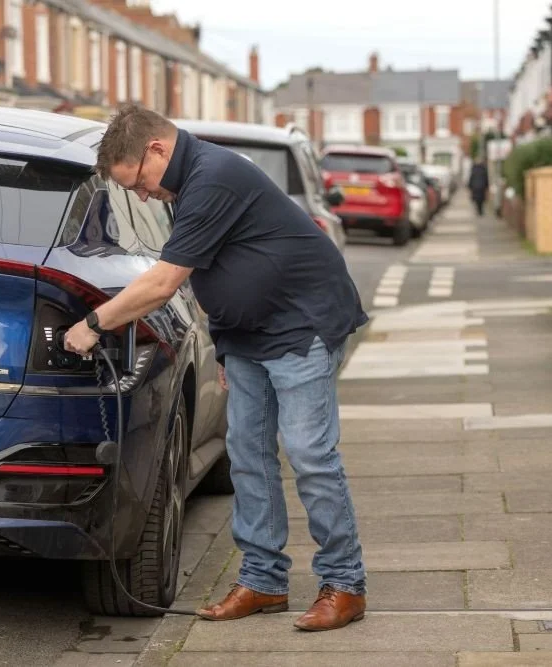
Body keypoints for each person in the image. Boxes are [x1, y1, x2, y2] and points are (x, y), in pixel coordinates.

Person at [62, 104, 369, 632]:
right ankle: (264, 581)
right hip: (249, 339)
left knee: (310, 454)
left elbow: (164, 283)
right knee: (247, 456)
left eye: (137, 181)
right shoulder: (188, 186)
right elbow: (223, 273)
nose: (141, 194)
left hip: (302, 328)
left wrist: (94, 323)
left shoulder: (214, 176)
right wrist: (226, 348)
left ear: (157, 149)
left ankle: (344, 584)